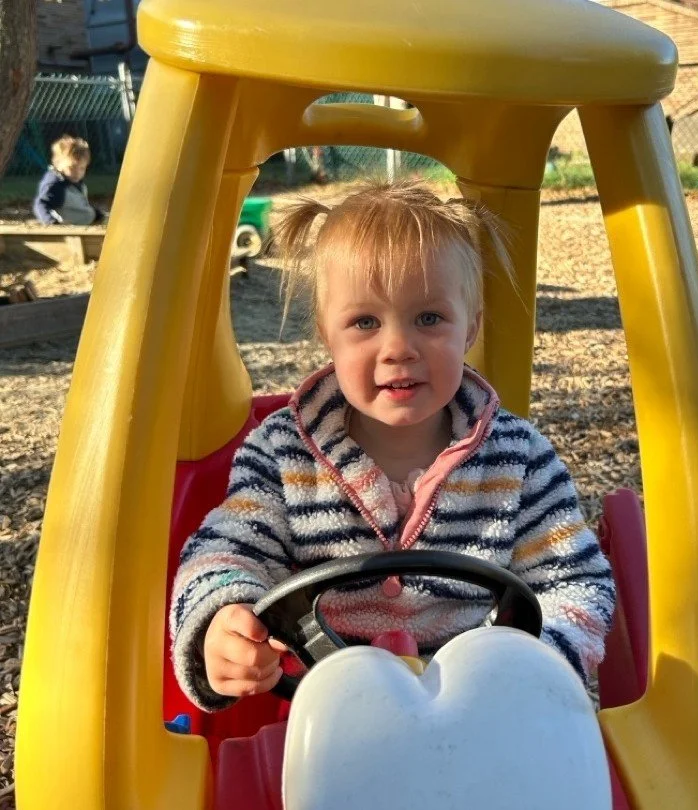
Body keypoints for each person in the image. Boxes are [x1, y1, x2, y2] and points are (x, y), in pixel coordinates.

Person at [170, 180, 615, 711]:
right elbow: (221, 553)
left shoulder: (519, 459)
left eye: (429, 318)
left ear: (470, 327)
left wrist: (533, 669)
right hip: (331, 719)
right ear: (325, 333)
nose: (398, 348)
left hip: (485, 713)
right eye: (364, 322)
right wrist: (223, 625)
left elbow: (577, 583)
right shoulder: (283, 456)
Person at [32, 136, 106, 226]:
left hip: (85, 222)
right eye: (72, 168)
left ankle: (96, 215)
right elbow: (41, 203)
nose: (77, 172)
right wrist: (51, 222)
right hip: (70, 229)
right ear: (58, 164)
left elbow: (78, 206)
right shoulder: (56, 185)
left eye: (82, 168)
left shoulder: (73, 181)